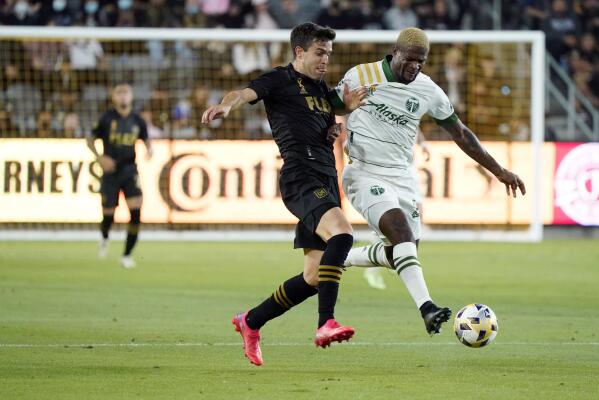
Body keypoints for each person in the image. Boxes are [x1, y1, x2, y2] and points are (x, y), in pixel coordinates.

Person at [330, 27, 526, 336]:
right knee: (400, 231)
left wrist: (498, 170)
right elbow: (329, 105)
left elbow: (459, 132)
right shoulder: (361, 75)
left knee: (403, 253)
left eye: (421, 62)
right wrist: (335, 117)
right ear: (395, 53)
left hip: (402, 177)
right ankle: (428, 308)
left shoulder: (427, 90)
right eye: (410, 60)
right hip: (364, 171)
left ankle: (341, 257)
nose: (415, 67)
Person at [201, 22, 367, 366]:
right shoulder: (279, 79)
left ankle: (251, 321)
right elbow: (243, 93)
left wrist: (339, 120)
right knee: (343, 234)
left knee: (312, 276)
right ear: (300, 52)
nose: (325, 60)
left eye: (329, 54)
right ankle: (326, 324)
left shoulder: (321, 90)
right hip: (300, 175)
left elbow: (325, 129)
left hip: (324, 177)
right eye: (319, 53)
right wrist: (226, 105)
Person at [86, 82, 153, 269]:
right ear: (113, 96)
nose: (123, 96)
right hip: (110, 172)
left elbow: (146, 139)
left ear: (131, 96)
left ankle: (126, 255)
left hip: (130, 170)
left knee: (136, 211)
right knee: (108, 214)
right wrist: (100, 157)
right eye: (119, 92)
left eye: (126, 92)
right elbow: (89, 139)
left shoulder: (138, 120)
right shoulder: (106, 118)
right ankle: (105, 237)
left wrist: (149, 149)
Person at [362, 130, 430, 291]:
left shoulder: (410, 111)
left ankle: (395, 257)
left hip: (408, 171)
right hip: (393, 171)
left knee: (416, 215)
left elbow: (415, 126)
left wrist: (423, 143)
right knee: (394, 219)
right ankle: (375, 267)